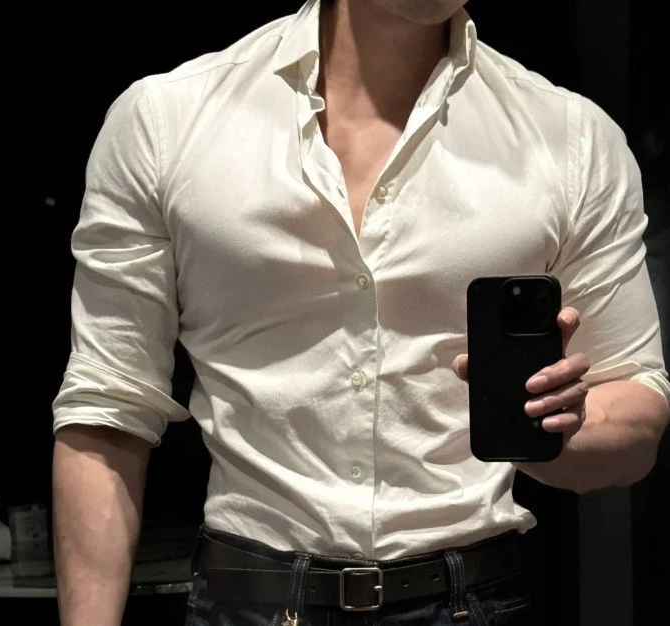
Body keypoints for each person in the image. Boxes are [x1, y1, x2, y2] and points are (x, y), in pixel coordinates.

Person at [50, 0, 670, 624]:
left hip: (471, 599)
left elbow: (636, 410)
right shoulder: (166, 120)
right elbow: (107, 408)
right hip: (250, 598)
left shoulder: (571, 139)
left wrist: (555, 429)